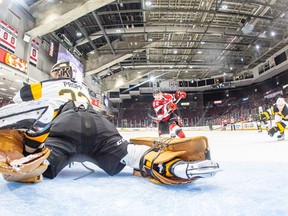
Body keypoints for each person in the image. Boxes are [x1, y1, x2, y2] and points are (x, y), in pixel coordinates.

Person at [0, 61, 220, 185]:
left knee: (40, 163)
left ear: (56, 73)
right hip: (98, 123)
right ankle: (174, 166)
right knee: (129, 153)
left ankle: (30, 153)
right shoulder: (82, 88)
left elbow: (21, 96)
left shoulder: (47, 84)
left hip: (64, 124)